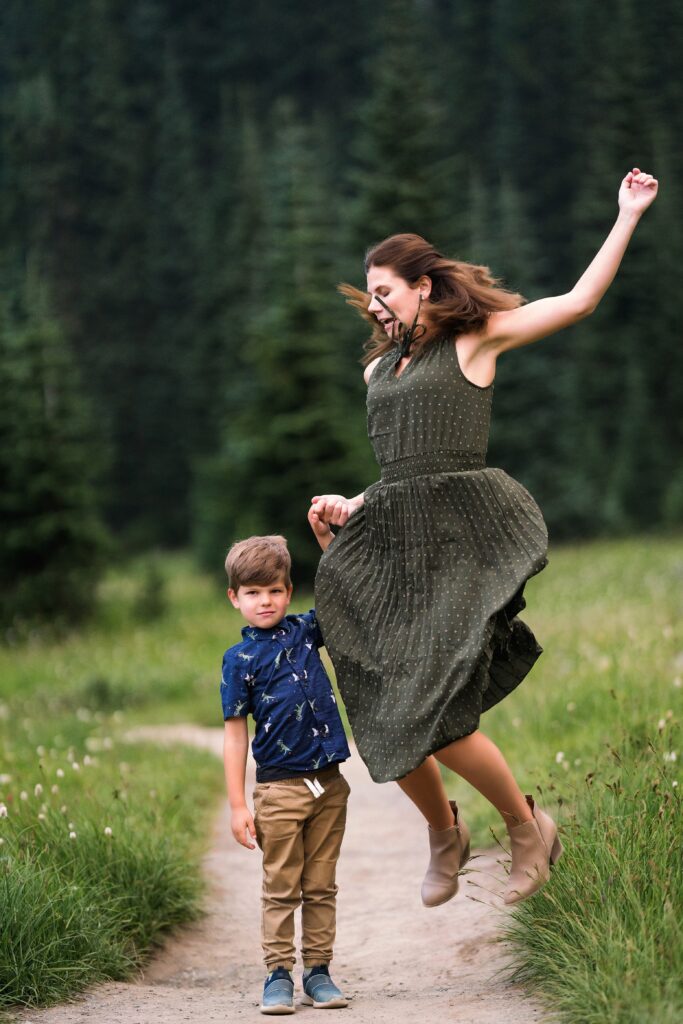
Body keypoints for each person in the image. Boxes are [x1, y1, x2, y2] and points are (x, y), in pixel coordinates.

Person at [310, 168, 658, 907]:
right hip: (393, 541)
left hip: (459, 539)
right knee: (375, 697)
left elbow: (580, 300)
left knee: (435, 702)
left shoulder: (474, 341)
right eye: (368, 296)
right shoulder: (378, 369)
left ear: (423, 288)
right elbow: (400, 469)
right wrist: (351, 502)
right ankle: (444, 833)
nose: (373, 307)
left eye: (385, 293)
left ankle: (526, 827)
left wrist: (626, 213)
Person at [221, 534, 351, 1014]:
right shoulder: (239, 662)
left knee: (321, 884)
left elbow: (341, 591)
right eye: (252, 592)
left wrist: (326, 541)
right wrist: (238, 805)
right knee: (281, 886)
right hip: (278, 789)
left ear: (288, 590)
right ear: (234, 598)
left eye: (274, 590)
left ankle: (318, 972)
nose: (265, 601)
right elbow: (235, 735)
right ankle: (278, 974)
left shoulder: (305, 631)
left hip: (329, 786)